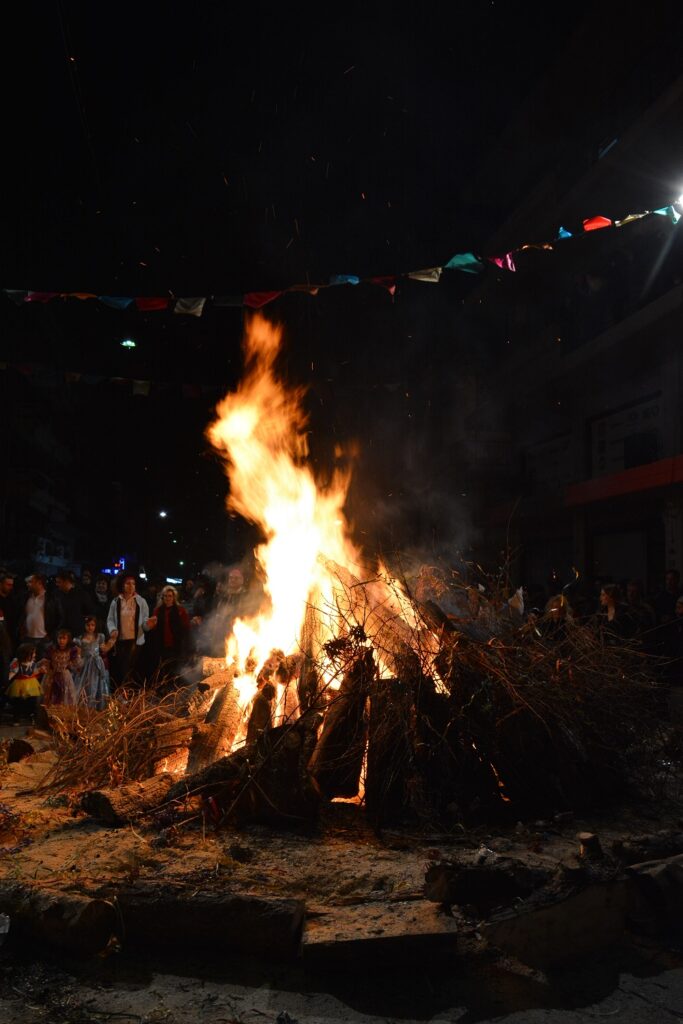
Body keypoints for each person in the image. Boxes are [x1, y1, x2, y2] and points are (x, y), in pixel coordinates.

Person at [106, 575, 155, 688]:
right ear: (122, 585)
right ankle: (123, 694)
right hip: (120, 641)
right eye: (128, 583)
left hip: (135, 641)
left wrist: (148, 625)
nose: (131, 586)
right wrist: (113, 629)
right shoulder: (116, 601)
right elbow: (110, 619)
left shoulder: (141, 602)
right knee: (121, 669)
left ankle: (127, 694)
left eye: (133, 584)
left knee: (129, 668)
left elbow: (144, 623)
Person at [145, 585, 191, 681]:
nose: (167, 598)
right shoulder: (157, 610)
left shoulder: (180, 610)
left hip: (176, 644)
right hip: (161, 644)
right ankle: (163, 687)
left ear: (174, 597)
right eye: (165, 596)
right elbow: (153, 626)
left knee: (175, 667)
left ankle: (173, 687)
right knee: (163, 667)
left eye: (170, 596)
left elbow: (186, 626)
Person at [76, 615, 114, 709]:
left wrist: (109, 644)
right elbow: (79, 653)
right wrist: (78, 662)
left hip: (97, 663)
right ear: (84, 625)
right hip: (86, 664)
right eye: (88, 625)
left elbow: (104, 649)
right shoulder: (80, 639)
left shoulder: (99, 636)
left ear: (95, 626)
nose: (90, 627)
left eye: (92, 625)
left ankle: (97, 705)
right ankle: (86, 705)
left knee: (97, 682)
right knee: (87, 684)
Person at [6, 642, 45, 724]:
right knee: (18, 702)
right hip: (19, 684)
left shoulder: (32, 663)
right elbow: (12, 672)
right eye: (33, 653)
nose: (35, 654)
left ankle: (30, 716)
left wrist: (40, 670)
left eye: (34, 653)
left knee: (31, 701)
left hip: (31, 683)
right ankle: (17, 718)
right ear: (25, 654)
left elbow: (32, 672)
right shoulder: (17, 662)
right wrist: (7, 679)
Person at [21, 574, 60, 656]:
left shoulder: (51, 598)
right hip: (28, 638)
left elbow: (60, 617)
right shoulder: (25, 597)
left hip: (44, 639)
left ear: (39, 583)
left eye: (30, 582)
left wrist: (51, 634)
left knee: (43, 663)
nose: (27, 584)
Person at [43, 629, 82, 707]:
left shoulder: (71, 650)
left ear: (68, 640)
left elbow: (76, 663)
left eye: (64, 639)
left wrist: (78, 654)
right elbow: (47, 661)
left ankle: (63, 714)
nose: (61, 641)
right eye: (59, 638)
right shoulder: (52, 649)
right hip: (52, 675)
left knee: (65, 695)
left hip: (65, 676)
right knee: (51, 695)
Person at [55, 569, 94, 637]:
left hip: (78, 633)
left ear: (66, 581)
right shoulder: (59, 595)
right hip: (64, 634)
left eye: (59, 582)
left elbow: (89, 612)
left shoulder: (82, 594)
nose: (57, 584)